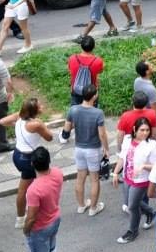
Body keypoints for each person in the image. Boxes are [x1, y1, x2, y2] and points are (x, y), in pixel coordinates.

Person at [1, 98, 54, 229]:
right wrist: (42, 125)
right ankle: (21, 219)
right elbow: (50, 137)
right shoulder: (36, 124)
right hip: (29, 159)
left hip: (17, 155)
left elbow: (2, 121)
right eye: (39, 105)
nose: (42, 106)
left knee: (30, 184)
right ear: (34, 111)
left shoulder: (19, 117)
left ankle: (28, 211)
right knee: (26, 188)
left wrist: (16, 124)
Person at [61, 82, 108, 217]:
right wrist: (106, 148)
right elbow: (102, 134)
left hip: (79, 149)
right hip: (93, 149)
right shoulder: (98, 113)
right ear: (94, 96)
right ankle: (93, 208)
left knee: (80, 177)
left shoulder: (73, 110)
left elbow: (66, 129)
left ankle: (81, 206)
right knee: (94, 179)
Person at [113, 117, 156, 243]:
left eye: (147, 130)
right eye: (142, 130)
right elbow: (122, 157)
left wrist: (144, 166)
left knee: (132, 206)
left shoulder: (152, 145)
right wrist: (115, 172)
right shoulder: (127, 139)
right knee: (132, 202)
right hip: (127, 177)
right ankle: (150, 212)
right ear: (134, 129)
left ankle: (132, 231)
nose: (145, 133)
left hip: (141, 181)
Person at [23, 147, 64, 252]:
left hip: (40, 228)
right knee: (52, 246)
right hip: (55, 219)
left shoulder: (33, 190)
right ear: (49, 161)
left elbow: (32, 217)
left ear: (32, 164)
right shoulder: (58, 173)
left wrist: (26, 230)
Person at [68, 34, 104, 105]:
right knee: (92, 113)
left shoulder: (72, 58)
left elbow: (70, 72)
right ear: (94, 47)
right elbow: (100, 71)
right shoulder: (98, 61)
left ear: (80, 46)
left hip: (76, 90)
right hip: (90, 92)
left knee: (76, 113)